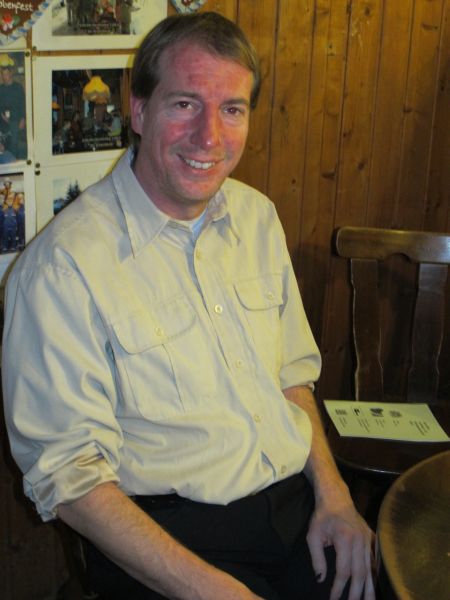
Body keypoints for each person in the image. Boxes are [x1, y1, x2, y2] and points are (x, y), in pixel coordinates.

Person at [2, 12, 375, 600]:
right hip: (167, 541)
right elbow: (69, 479)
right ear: (139, 110)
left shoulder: (257, 217)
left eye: (233, 109)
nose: (210, 137)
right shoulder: (61, 268)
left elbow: (291, 381)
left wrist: (336, 496)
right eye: (184, 104)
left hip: (296, 508)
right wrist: (213, 591)